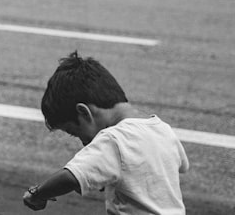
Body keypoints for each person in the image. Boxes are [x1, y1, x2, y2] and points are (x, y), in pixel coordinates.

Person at [23, 52, 189, 213]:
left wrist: (38, 193)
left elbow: (71, 177)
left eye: (74, 132)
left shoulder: (114, 140)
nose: (82, 141)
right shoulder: (162, 129)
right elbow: (179, 165)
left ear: (84, 112)